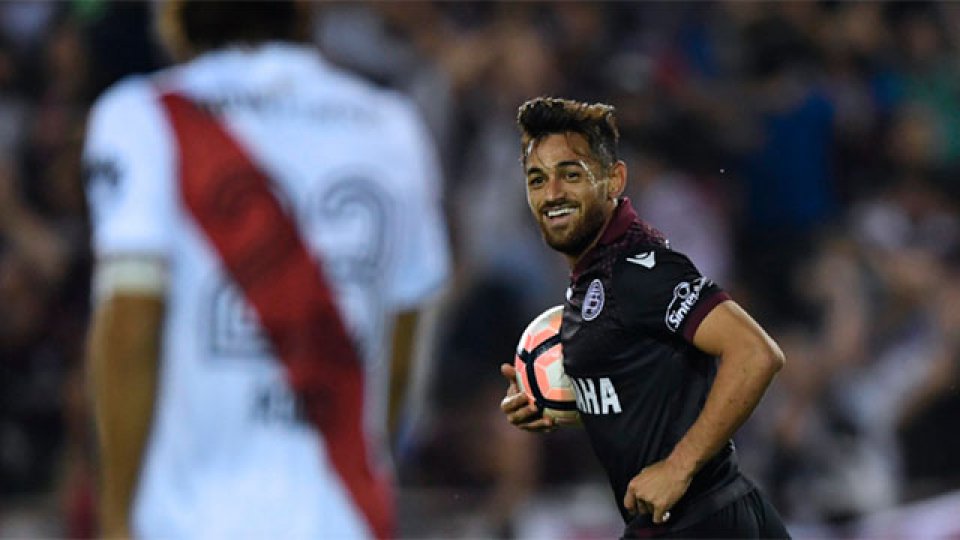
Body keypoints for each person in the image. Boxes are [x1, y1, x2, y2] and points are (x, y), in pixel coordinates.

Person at [83, 1, 449, 537]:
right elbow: (401, 352)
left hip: (190, 521)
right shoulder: (392, 126)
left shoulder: (143, 116)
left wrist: (116, 516)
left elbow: (133, 322)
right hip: (344, 517)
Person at [499, 97, 789, 538]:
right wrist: (552, 401)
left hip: (706, 522)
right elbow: (647, 379)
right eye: (537, 179)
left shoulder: (639, 270)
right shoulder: (597, 276)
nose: (552, 194)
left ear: (614, 179)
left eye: (570, 175)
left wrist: (679, 466)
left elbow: (756, 352)